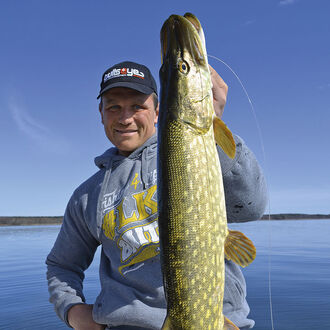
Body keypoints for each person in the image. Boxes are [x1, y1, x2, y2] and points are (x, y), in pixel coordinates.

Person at [46, 61, 267, 330]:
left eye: (138, 106)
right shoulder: (86, 196)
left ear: (157, 111)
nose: (125, 117)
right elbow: (62, 264)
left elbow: (251, 206)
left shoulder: (193, 152)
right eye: (113, 106)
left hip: (218, 322)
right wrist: (72, 310)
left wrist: (213, 127)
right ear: (101, 113)